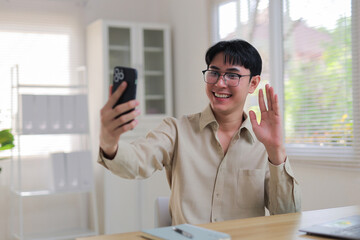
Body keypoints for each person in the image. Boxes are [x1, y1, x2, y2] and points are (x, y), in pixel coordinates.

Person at [98, 39, 301, 225]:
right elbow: (136, 163)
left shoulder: (264, 144)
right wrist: (109, 143)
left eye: (232, 75)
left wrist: (276, 151)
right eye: (214, 72)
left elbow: (287, 215)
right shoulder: (176, 130)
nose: (220, 83)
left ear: (253, 84)